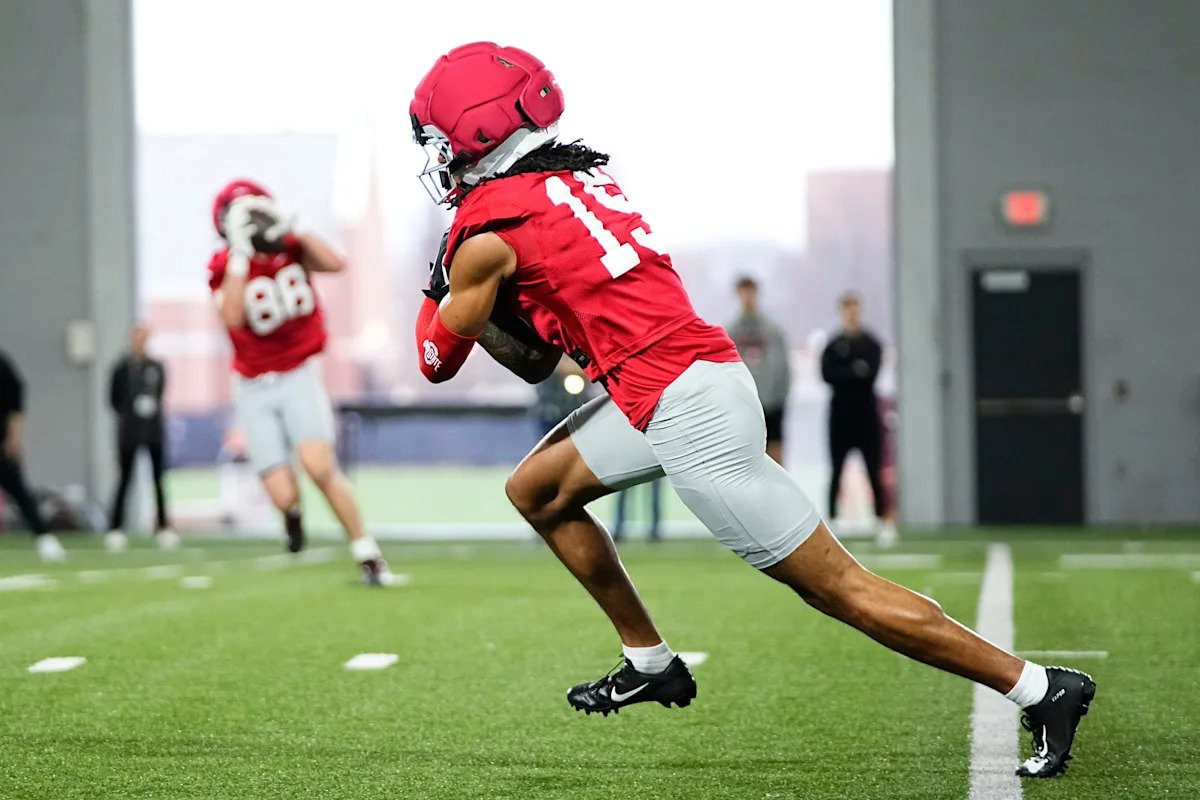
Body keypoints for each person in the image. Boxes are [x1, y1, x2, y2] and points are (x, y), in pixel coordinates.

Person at [408, 42, 1094, 779]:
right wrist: (473, 304)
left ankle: (1041, 688)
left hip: (683, 408)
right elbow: (538, 357)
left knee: (841, 590)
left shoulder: (488, 234)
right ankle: (650, 660)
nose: (440, 159)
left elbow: (434, 361)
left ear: (480, 136)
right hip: (684, 375)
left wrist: (437, 294)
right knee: (537, 490)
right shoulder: (578, 175)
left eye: (443, 141)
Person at [207, 179, 392, 585]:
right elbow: (233, 318)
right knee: (283, 496)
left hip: (298, 373)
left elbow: (337, 263)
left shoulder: (292, 247)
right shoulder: (225, 266)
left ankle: (367, 552)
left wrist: (292, 228)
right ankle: (292, 518)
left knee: (319, 466)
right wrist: (241, 253)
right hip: (253, 385)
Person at [820, 292, 896, 544]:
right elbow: (828, 375)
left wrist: (849, 372)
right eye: (847, 309)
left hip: (866, 416)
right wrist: (855, 370)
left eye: (855, 309)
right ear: (841, 312)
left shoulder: (872, 344)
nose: (852, 314)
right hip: (840, 416)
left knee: (873, 469)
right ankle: (832, 520)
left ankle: (882, 520)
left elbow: (870, 374)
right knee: (836, 469)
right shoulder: (832, 345)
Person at [105, 324, 177, 551]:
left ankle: (163, 527)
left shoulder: (156, 367)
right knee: (125, 479)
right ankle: (115, 528)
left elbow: (161, 393)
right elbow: (113, 400)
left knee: (158, 480)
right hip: (129, 431)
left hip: (153, 431)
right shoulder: (121, 368)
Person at [0, 349, 66, 561]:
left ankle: (45, 537)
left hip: (1, 442)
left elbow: (16, 402)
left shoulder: (2, 365)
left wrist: (14, 436)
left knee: (18, 490)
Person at [727, 276, 791, 465]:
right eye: (744, 292)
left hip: (772, 404)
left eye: (751, 292)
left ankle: (779, 495)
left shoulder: (772, 330)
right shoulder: (730, 331)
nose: (748, 297)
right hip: (744, 405)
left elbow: (783, 367)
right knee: (745, 459)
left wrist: (780, 397)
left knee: (776, 458)